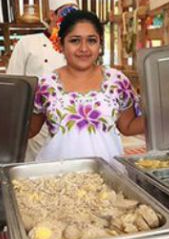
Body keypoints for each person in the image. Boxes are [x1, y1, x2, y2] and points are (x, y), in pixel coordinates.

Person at [28, 10, 145, 166]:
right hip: (57, 177)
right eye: (75, 41)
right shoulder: (46, 84)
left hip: (109, 176)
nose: (84, 48)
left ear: (100, 44)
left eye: (91, 40)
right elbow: (29, 130)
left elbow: (128, 126)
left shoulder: (116, 81)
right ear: (61, 44)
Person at [7, 0, 78, 161]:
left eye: (74, 12)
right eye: (66, 12)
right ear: (52, 15)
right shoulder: (27, 43)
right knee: (35, 168)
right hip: (36, 122)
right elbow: (13, 85)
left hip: (68, 121)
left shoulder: (77, 46)